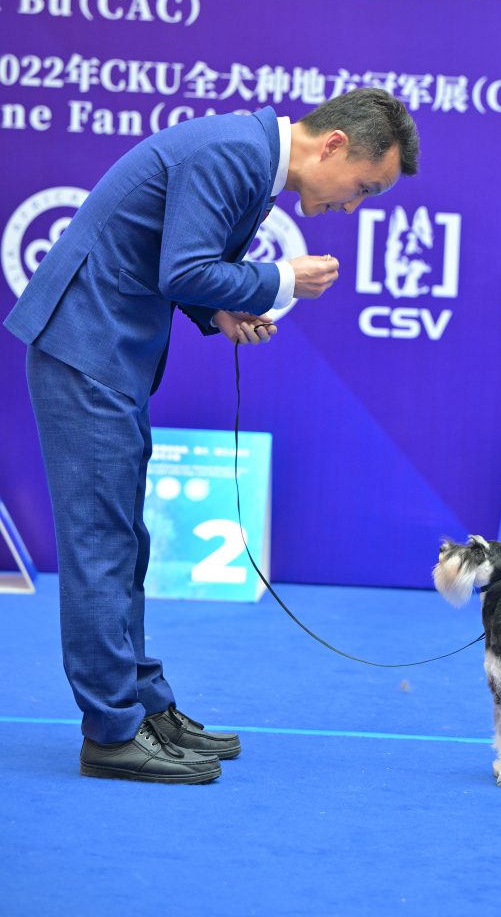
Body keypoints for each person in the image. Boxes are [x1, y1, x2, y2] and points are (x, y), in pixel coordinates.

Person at [4, 88, 419, 784]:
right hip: (86, 348)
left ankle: (143, 707)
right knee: (102, 546)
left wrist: (219, 312)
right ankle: (111, 733)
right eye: (363, 189)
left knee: (123, 543)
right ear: (334, 145)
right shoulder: (234, 154)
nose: (353, 207)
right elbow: (185, 269)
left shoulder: (250, 157)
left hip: (106, 352)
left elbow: (175, 260)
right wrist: (281, 277)